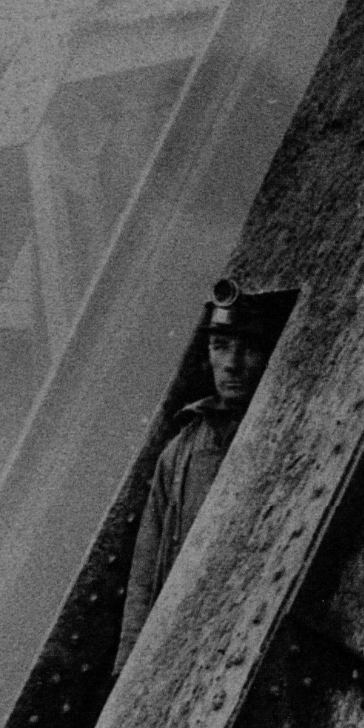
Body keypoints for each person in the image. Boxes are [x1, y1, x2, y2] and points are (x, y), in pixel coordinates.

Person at [114, 279, 291, 673]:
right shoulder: (180, 452)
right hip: (179, 647)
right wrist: (129, 664)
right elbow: (145, 571)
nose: (232, 363)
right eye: (220, 345)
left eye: (249, 347)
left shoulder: (285, 437)